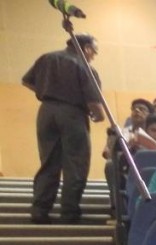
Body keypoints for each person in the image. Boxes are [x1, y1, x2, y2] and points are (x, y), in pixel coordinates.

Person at [22, 34, 104, 225]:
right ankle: (69, 212)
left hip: (46, 112)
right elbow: (94, 101)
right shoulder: (85, 67)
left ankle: (40, 210)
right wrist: (99, 116)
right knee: (76, 163)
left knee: (48, 162)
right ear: (86, 48)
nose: (94, 56)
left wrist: (48, 92)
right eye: (94, 52)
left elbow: (26, 81)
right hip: (73, 115)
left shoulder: (46, 58)